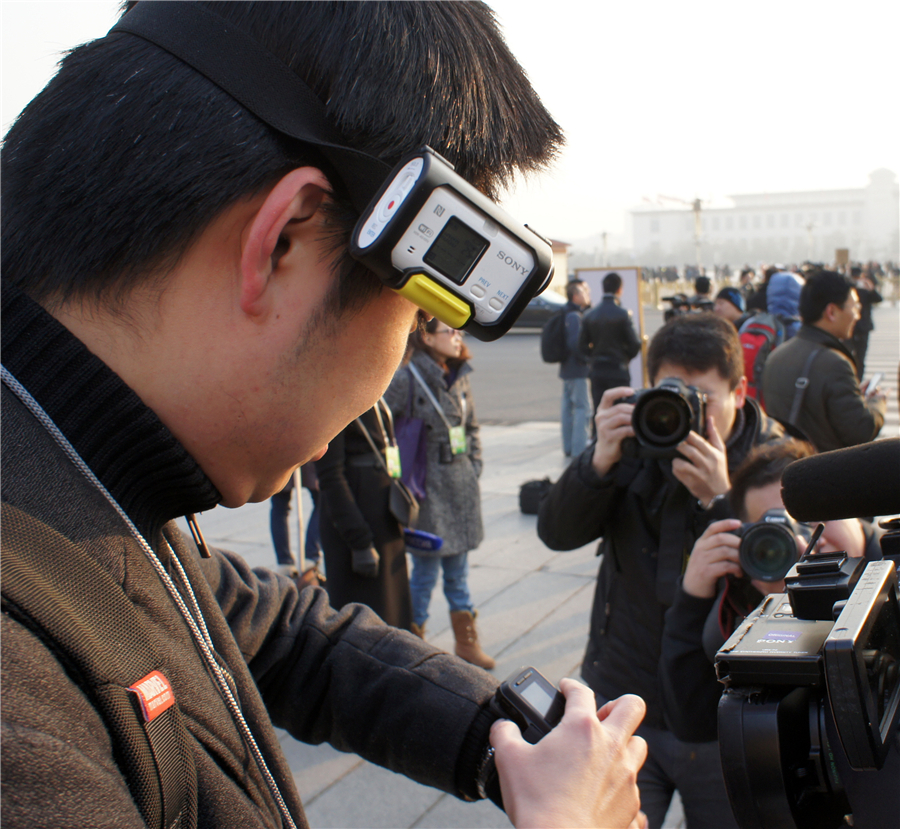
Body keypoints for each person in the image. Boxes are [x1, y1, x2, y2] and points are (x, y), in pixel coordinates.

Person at [0, 3, 648, 828]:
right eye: (413, 312)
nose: (392, 369)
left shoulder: (76, 479)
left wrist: (501, 733)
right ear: (284, 243)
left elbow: (281, 635)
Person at [538, 312, 785, 829]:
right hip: (623, 693)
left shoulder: (770, 466)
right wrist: (598, 460)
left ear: (740, 392)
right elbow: (555, 534)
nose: (686, 412)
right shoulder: (635, 440)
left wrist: (721, 499)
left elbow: (779, 590)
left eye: (704, 399)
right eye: (673, 392)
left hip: (719, 708)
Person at [659, 439, 897, 828]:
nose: (807, 545)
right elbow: (690, 722)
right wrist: (692, 599)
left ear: (857, 511)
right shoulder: (749, 607)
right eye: (779, 536)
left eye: (816, 521)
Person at [384, 318, 494, 669]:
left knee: (458, 572)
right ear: (427, 336)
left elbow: (471, 426)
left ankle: (466, 642)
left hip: (460, 485)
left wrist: (474, 463)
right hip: (427, 489)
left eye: (459, 332)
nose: (457, 337)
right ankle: (411, 642)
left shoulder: (459, 375)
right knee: (425, 572)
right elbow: (384, 423)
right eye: (450, 331)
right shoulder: (408, 377)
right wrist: (397, 473)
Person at [315, 400, 413, 630]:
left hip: (382, 518)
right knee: (367, 622)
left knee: (393, 611)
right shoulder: (337, 399)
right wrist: (359, 540)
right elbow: (331, 477)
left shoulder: (372, 391)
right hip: (357, 524)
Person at [762, 270, 887, 451]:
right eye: (855, 308)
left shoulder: (777, 355)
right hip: (823, 470)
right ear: (832, 311)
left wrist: (851, 394)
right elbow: (861, 431)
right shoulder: (835, 364)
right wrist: (877, 404)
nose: (857, 316)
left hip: (785, 464)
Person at [580, 271, 642, 414]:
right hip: (618, 369)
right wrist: (625, 358)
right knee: (621, 410)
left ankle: (598, 436)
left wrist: (593, 357)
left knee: (600, 410)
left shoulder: (590, 314)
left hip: (597, 370)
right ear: (620, 289)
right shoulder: (623, 314)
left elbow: (581, 346)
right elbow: (635, 343)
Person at [269, 463, 323, 584]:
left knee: (279, 505)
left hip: (281, 453)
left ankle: (286, 562)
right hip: (302, 450)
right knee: (321, 500)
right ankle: (309, 557)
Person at [558, 279, 592, 459]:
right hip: (577, 369)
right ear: (576, 296)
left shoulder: (566, 312)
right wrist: (587, 359)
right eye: (584, 293)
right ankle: (579, 450)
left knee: (568, 409)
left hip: (566, 369)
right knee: (582, 409)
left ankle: (569, 447)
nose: (587, 296)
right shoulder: (574, 316)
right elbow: (575, 344)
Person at [850, 267, 883, 378]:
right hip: (849, 328)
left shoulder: (865, 292)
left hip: (862, 328)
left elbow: (878, 299)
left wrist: (871, 288)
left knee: (860, 358)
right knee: (847, 356)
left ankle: (858, 380)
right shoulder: (848, 291)